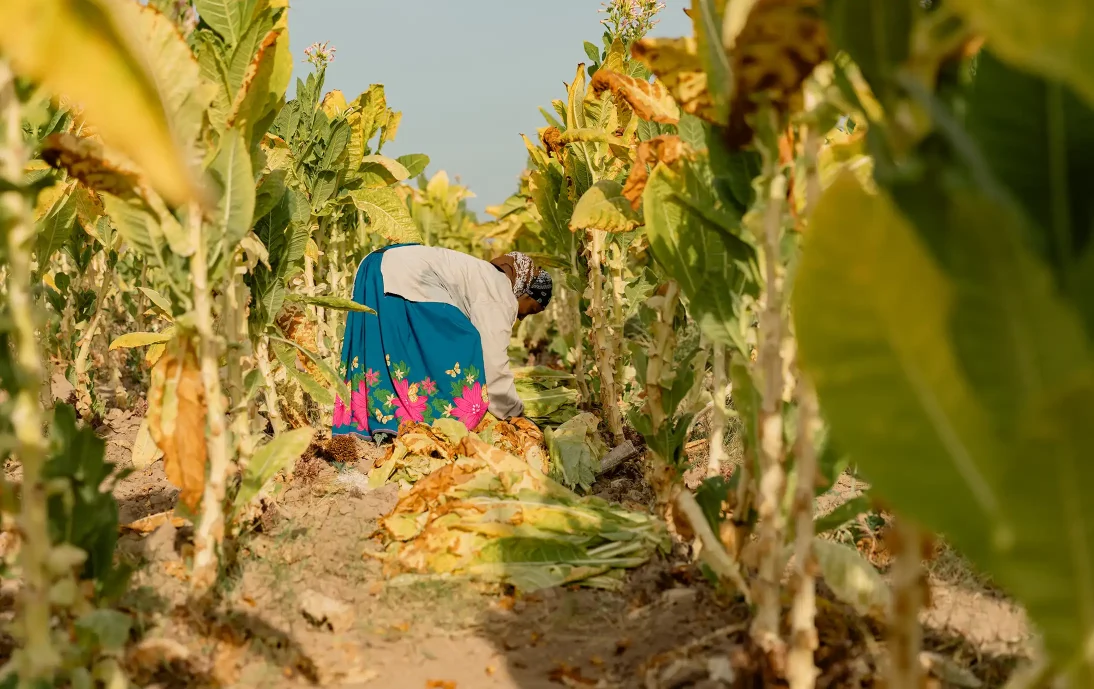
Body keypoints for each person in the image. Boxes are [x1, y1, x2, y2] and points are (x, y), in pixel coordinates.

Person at [332, 243, 552, 441]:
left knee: (389, 349)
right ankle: (433, 420)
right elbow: (493, 361)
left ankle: (381, 419)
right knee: (465, 343)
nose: (522, 317)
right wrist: (513, 414)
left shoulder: (484, 276)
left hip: (376, 265)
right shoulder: (501, 293)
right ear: (524, 292)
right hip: (403, 274)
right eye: (530, 309)